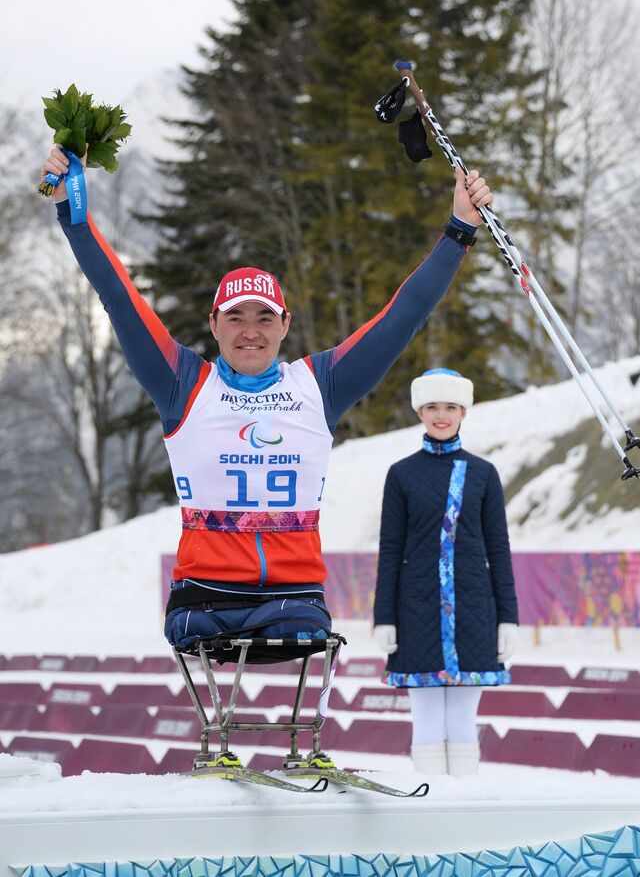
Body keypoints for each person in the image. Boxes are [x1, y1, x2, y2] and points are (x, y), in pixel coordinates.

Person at [40, 144, 493, 651]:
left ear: (285, 326)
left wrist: (459, 229)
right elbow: (119, 296)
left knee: (298, 631)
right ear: (213, 325)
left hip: (292, 595)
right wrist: (71, 212)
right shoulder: (184, 385)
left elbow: (401, 316)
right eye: (235, 317)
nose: (249, 331)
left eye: (264, 317)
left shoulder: (317, 386)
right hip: (204, 597)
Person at [373, 368, 519, 777]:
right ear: (420, 410)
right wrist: (384, 616)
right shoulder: (401, 474)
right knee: (425, 717)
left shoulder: (483, 473)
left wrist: (508, 616)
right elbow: (391, 549)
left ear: (464, 412)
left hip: (474, 610)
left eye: (450, 407)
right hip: (416, 611)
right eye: (433, 406)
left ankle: (465, 805)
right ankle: (431, 804)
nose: (441, 415)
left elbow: (499, 548)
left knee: (461, 719)